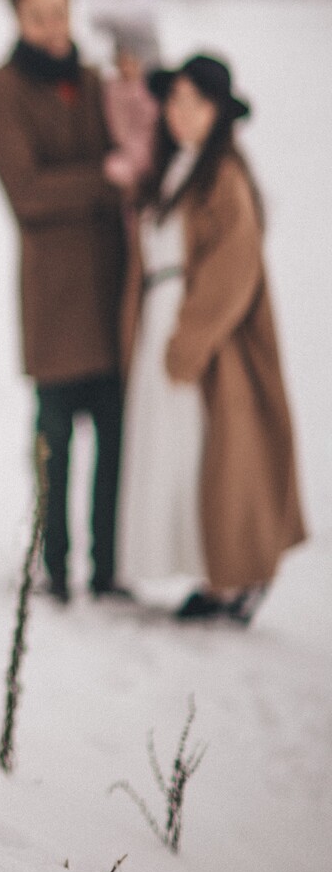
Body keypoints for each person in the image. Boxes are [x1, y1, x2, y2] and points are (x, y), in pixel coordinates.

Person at [117, 53, 306, 622]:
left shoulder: (224, 175)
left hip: (201, 339)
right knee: (177, 455)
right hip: (164, 324)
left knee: (216, 455)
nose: (180, 114)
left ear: (218, 111)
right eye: (173, 102)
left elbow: (233, 264)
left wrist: (191, 339)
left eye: (193, 104)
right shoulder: (179, 169)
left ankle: (237, 577)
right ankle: (210, 569)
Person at [0, 0, 127, 603]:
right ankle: (57, 570)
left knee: (117, 444)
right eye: (39, 15)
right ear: (19, 18)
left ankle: (109, 571)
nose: (52, 26)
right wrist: (105, 177)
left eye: (60, 12)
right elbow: (28, 193)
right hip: (55, 297)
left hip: (114, 289)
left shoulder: (97, 82)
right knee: (55, 448)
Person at [93, 14, 161, 190]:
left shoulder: (151, 92)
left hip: (144, 155)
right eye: (121, 61)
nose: (125, 67)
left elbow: (150, 126)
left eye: (131, 61)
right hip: (123, 151)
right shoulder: (113, 89)